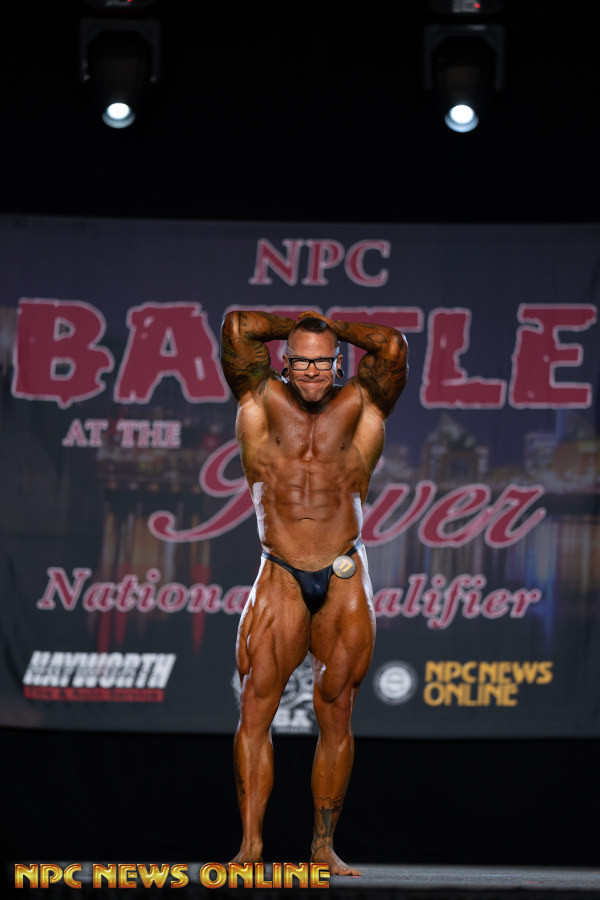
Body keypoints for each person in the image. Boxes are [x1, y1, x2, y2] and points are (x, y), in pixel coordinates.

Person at [220, 309, 408, 876]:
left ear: (339, 362)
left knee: (338, 712)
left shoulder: (364, 404)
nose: (309, 371)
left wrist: (330, 327)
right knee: (256, 708)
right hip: (279, 569)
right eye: (300, 360)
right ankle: (250, 847)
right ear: (284, 360)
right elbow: (237, 327)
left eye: (321, 362)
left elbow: (393, 347)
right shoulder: (258, 398)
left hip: (344, 572)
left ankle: (323, 846)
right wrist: (302, 326)